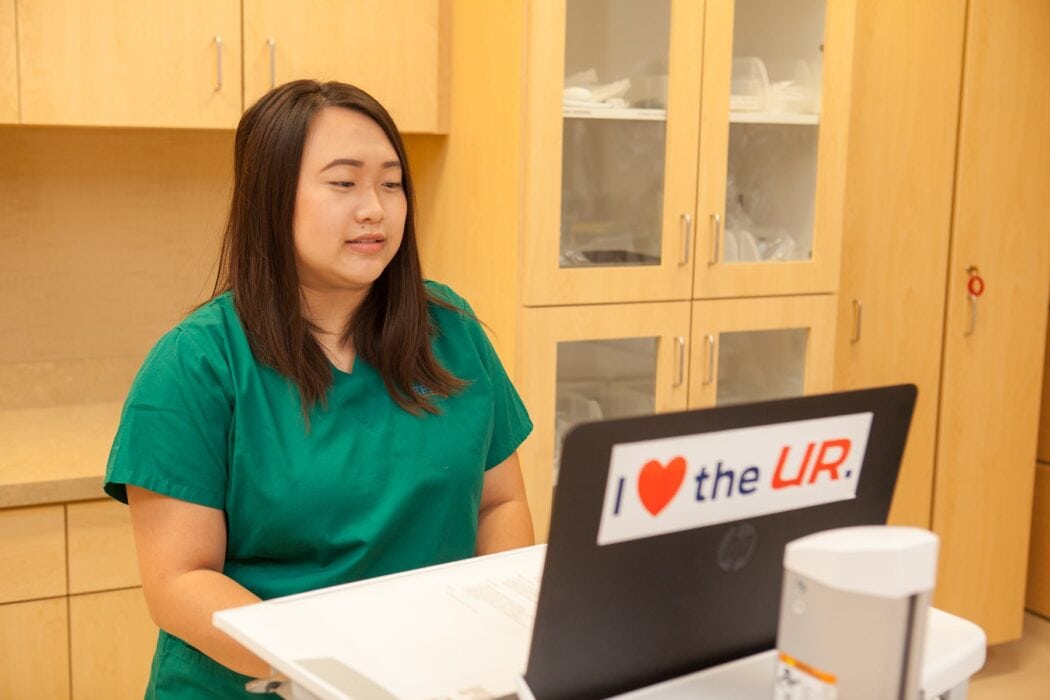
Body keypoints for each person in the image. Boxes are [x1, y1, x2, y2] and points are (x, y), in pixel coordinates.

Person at [104, 79, 535, 698]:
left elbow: (499, 504)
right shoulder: (197, 363)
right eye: (344, 183)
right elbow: (180, 582)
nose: (375, 209)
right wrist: (341, 677)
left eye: (391, 183)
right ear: (272, 199)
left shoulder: (451, 329)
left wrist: (493, 645)